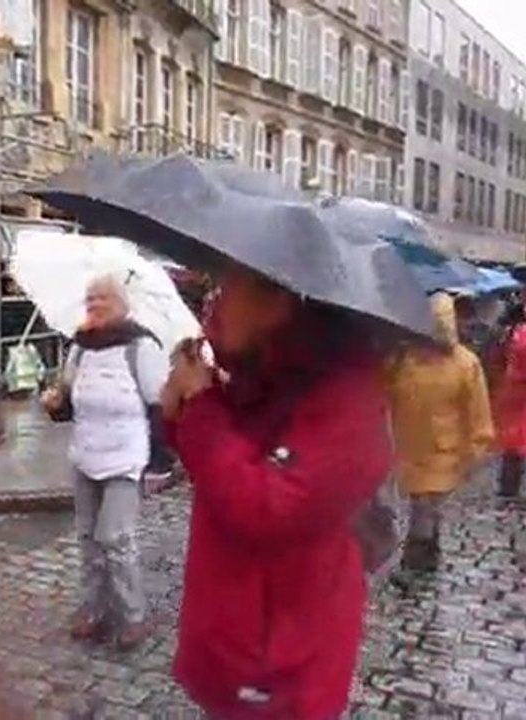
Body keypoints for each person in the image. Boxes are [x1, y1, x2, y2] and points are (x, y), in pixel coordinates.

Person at [161, 265, 392, 720]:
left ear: (277, 303)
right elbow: (222, 474)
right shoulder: (266, 374)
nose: (215, 304)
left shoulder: (346, 398)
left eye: (229, 290)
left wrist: (202, 408)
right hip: (236, 648)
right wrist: (180, 409)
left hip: (282, 672)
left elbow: (267, 508)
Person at [42, 274, 168, 651]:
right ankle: (94, 608)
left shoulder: (141, 347)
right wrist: (55, 404)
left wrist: (159, 463)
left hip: (125, 457)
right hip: (85, 455)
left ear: (121, 303)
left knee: (115, 537)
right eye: (90, 298)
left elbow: (158, 406)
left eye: (102, 299)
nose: (94, 304)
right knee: (87, 537)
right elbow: (68, 402)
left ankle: (133, 615)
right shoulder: (79, 348)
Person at [386, 293, 494, 572]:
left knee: (424, 505)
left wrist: (477, 447)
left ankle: (415, 563)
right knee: (424, 506)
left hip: (444, 450)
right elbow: (383, 391)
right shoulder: (405, 358)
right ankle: (429, 553)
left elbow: (478, 409)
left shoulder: (465, 363)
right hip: (409, 448)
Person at [495, 298, 526, 497]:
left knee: (513, 444)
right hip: (516, 394)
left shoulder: (511, 333)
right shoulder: (515, 334)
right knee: (514, 443)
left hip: (513, 393)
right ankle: (509, 488)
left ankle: (508, 489)